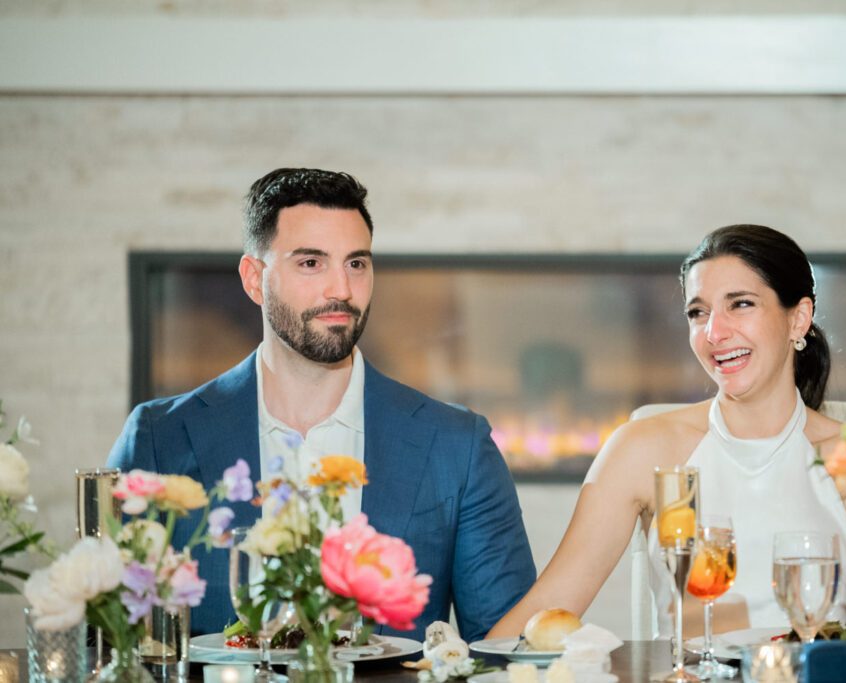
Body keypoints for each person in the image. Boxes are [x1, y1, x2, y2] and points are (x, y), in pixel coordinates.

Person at [108, 168, 536, 641]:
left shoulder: (457, 446)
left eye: (356, 264)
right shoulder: (157, 437)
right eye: (311, 263)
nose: (342, 290)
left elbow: (506, 651)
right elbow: (106, 641)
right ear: (254, 279)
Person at [489, 224, 846, 639]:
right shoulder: (643, 448)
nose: (714, 334)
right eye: (697, 312)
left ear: (798, 319)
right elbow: (549, 607)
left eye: (740, 304)